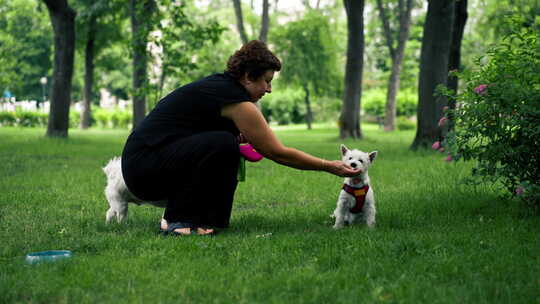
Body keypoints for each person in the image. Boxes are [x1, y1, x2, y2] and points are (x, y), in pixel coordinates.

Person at [121, 40, 359, 236]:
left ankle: (201, 219)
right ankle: (176, 221)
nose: (268, 89)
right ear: (247, 77)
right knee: (222, 143)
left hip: (146, 162)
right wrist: (329, 166)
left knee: (224, 142)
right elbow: (277, 152)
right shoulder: (235, 100)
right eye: (266, 81)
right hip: (143, 167)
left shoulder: (221, 88)